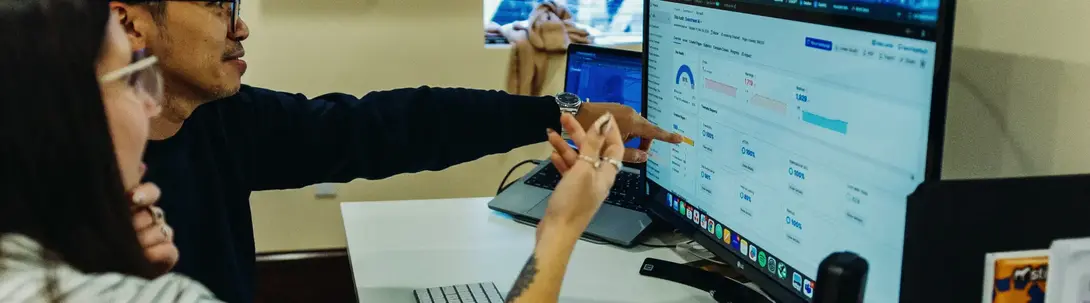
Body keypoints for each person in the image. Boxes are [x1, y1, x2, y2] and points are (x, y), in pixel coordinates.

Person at [0, 0, 621, 302]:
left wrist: (555, 109)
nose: (240, 26)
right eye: (221, 4)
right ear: (130, 26)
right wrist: (561, 228)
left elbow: (380, 125)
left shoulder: (220, 123)